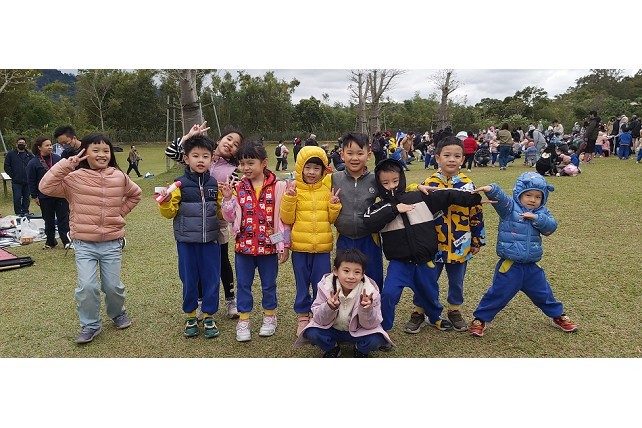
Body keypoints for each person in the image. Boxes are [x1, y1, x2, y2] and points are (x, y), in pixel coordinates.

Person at [39, 133, 142, 344]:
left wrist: (119, 213)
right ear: (84, 152)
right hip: (84, 243)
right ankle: (90, 325)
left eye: (106, 150)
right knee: (87, 287)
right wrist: (67, 165)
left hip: (112, 242)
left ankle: (117, 313)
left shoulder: (119, 176)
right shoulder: (73, 178)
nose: (102, 155)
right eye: (96, 150)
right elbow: (45, 187)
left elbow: (136, 194)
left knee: (112, 286)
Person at [362, 158, 482, 332]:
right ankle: (383, 327)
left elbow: (447, 195)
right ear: (379, 184)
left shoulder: (418, 197)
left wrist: (472, 198)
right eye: (385, 183)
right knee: (389, 294)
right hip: (399, 263)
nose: (392, 186)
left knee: (429, 293)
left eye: (395, 181)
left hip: (425, 262)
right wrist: (395, 209)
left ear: (402, 179)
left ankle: (435, 318)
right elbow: (368, 221)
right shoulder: (380, 207)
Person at [469, 172, 578, 337]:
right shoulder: (510, 209)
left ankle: (558, 315)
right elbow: (501, 199)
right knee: (498, 294)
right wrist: (491, 189)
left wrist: (536, 218)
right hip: (510, 266)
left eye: (538, 197)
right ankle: (480, 319)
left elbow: (550, 228)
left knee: (544, 293)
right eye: (528, 195)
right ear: (519, 194)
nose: (533, 200)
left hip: (532, 267)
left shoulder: (542, 213)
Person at [403, 136, 486, 333]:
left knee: (456, 281)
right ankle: (419, 311)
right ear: (437, 158)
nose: (452, 159)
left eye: (457, 156)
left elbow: (476, 213)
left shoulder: (468, 185)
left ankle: (454, 310)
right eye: (447, 155)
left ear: (463, 159)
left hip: (460, 244)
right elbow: (413, 201)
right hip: (432, 245)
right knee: (426, 280)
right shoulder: (429, 183)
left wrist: (477, 239)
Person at [165, 122, 243, 319]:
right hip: (194, 222)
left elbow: (232, 193)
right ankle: (200, 301)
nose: (230, 144)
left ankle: (230, 299)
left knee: (221, 261)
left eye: (236, 144)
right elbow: (171, 152)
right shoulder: (199, 154)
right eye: (229, 139)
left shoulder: (232, 169)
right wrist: (188, 137)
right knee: (197, 265)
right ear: (219, 139)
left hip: (217, 221)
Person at [220, 141, 291, 342]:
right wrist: (228, 199)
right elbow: (229, 218)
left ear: (264, 162)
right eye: (242, 164)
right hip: (244, 248)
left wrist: (284, 245)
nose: (246, 168)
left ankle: (270, 316)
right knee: (243, 285)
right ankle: (244, 320)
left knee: (269, 285)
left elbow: (284, 221)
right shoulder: (238, 187)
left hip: (269, 248)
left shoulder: (278, 186)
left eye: (250, 163)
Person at [158, 135, 222, 338]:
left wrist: (229, 200)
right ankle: (191, 316)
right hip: (186, 243)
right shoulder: (179, 185)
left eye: (205, 156)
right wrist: (165, 202)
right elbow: (169, 213)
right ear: (186, 158)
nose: (200, 160)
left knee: (212, 279)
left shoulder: (215, 184)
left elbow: (222, 213)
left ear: (212, 158)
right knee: (189, 279)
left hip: (210, 242)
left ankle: (209, 316)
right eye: (195, 156)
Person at [280, 145, 342, 336]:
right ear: (300, 168)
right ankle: (302, 316)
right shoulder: (294, 190)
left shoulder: (326, 190)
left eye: (316, 168)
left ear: (323, 170)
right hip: (300, 248)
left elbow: (331, 220)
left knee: (321, 284)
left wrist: (334, 206)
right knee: (302, 284)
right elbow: (286, 218)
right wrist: (289, 199)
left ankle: (318, 315)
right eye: (307, 168)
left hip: (322, 248)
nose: (312, 172)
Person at [293, 248, 394, 357]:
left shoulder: (370, 292)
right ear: (335, 271)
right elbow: (318, 319)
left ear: (362, 274)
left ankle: (360, 349)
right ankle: (332, 348)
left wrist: (366, 309)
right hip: (332, 330)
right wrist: (329, 307)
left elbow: (372, 325)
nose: (351, 276)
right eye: (346, 271)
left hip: (359, 331)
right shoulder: (326, 286)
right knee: (312, 332)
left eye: (357, 272)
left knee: (377, 338)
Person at [326, 132, 385, 306]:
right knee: (345, 279)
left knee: (372, 279)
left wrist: (417, 186)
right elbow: (310, 187)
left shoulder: (376, 179)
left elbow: (397, 188)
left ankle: (373, 312)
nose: (355, 158)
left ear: (369, 155)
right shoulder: (333, 178)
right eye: (350, 153)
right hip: (344, 237)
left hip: (370, 239)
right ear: (342, 154)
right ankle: (345, 313)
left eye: (360, 153)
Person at [26, 137, 71, 249]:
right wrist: (35, 196)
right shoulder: (33, 163)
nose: (50, 147)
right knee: (48, 220)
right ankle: (50, 242)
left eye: (51, 145)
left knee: (63, 218)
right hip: (44, 196)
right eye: (47, 145)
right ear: (39, 147)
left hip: (60, 194)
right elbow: (31, 181)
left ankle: (66, 241)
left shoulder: (58, 158)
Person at [4, 137, 34, 216]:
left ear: (26, 145)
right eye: (20, 143)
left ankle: (25, 212)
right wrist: (13, 175)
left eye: (23, 143)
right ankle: (18, 213)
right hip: (16, 181)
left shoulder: (29, 155)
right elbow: (6, 166)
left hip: (27, 181)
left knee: (26, 198)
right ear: (16, 144)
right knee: (17, 198)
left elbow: (33, 166)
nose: (21, 144)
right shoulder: (11, 154)